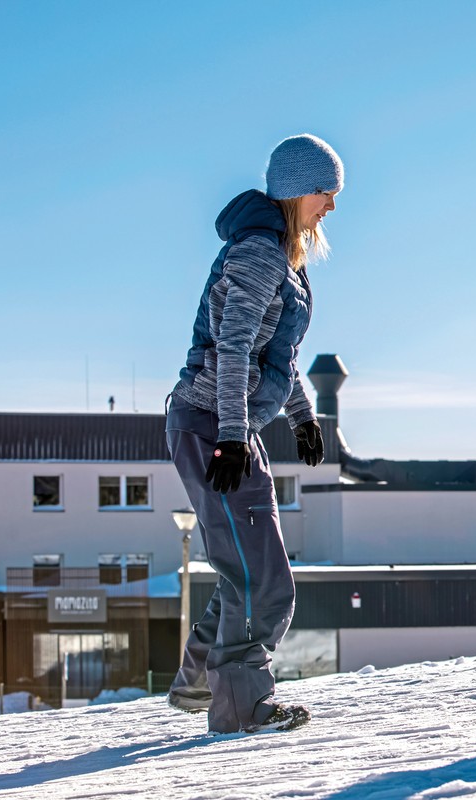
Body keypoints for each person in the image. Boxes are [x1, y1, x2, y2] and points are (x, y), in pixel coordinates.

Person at [165, 134, 343, 733]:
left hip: (230, 426)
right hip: (212, 426)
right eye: (326, 192)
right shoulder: (260, 254)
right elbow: (233, 345)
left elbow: (276, 356)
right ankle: (242, 707)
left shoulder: (283, 257)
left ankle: (197, 685)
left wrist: (300, 417)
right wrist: (235, 437)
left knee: (248, 567)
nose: (332, 207)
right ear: (298, 188)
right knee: (264, 582)